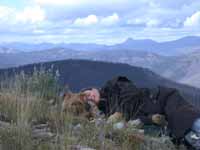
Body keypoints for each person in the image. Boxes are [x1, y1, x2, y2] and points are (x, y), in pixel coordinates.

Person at [82, 76, 200, 149]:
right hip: (161, 115)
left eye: (87, 94)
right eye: (87, 100)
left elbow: (131, 92)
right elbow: (136, 116)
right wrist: (150, 119)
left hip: (163, 99)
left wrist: (119, 112)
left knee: (188, 122)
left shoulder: (112, 85)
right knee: (183, 139)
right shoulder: (107, 112)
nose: (90, 97)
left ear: (93, 89)